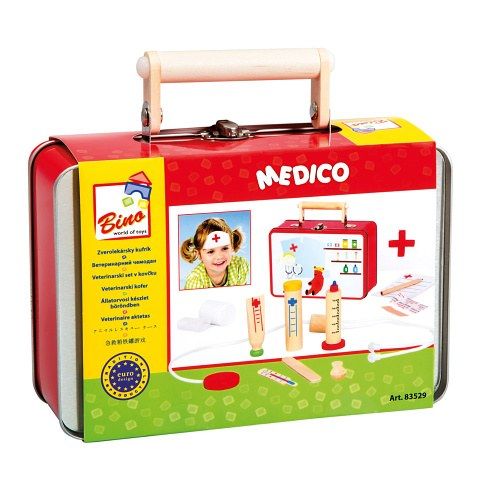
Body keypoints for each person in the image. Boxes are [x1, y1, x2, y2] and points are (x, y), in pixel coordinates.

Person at [181, 218, 249, 289]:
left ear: (232, 247)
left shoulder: (239, 266)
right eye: (210, 251)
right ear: (199, 255)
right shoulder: (195, 281)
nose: (219, 256)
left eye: (225, 248)